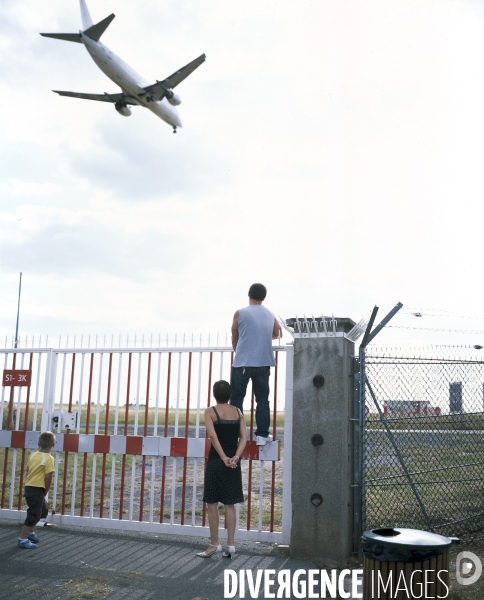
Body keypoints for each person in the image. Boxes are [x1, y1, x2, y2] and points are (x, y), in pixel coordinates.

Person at [197, 380, 247, 559]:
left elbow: (212, 436)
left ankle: (214, 544)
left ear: (214, 394)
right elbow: (244, 438)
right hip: (233, 462)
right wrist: (235, 457)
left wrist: (223, 457)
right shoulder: (238, 412)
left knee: (212, 503)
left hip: (217, 461)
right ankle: (231, 545)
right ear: (230, 394)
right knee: (229, 504)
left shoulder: (211, 411)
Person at [230, 283, 282, 445]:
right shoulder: (270, 314)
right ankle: (262, 435)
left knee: (237, 399)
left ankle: (236, 434)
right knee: (262, 400)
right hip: (263, 362)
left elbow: (234, 333)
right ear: (264, 297)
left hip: (243, 362)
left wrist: (238, 349)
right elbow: (278, 332)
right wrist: (264, 335)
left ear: (248, 294)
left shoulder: (240, 313)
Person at [17, 431, 56, 549]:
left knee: (42, 510)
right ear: (53, 445)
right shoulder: (49, 458)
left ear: (38, 443)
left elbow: (28, 469)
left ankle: (30, 532)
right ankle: (22, 539)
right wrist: (46, 489)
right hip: (37, 488)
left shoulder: (33, 455)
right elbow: (48, 476)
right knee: (34, 513)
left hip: (30, 487)